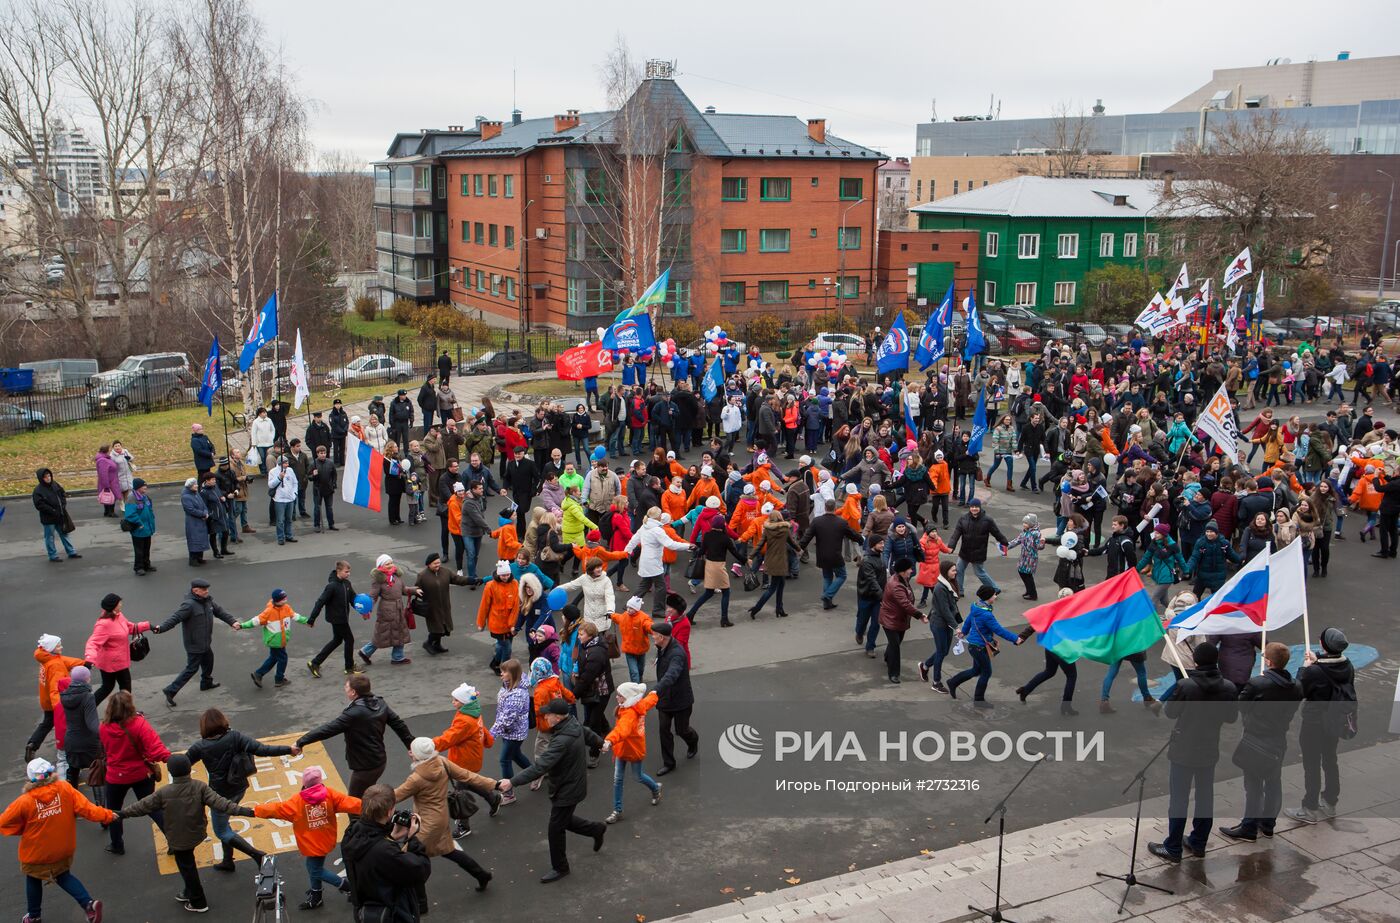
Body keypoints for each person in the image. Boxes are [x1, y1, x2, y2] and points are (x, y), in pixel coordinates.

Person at [119, 753, 256, 912]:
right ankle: (187, 891)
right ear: (189, 769)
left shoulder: (164, 792)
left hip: (178, 837)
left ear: (170, 772)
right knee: (187, 864)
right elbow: (222, 804)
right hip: (197, 832)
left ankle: (198, 902)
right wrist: (246, 811)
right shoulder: (200, 786)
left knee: (187, 867)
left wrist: (121, 814)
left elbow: (141, 806)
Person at [496, 699, 607, 883]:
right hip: (571, 784)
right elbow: (586, 733)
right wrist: (600, 743)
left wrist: (512, 782)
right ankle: (596, 829)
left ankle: (561, 867)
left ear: (557, 717)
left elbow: (540, 767)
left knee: (555, 829)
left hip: (567, 788)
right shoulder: (571, 724)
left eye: (548, 714)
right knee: (564, 820)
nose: (545, 716)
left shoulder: (561, 741)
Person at [1148, 641, 1238, 864]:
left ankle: (1173, 846)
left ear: (1196, 661)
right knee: (1205, 797)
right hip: (1209, 747)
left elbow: (1170, 712)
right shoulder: (1228, 687)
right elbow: (1231, 717)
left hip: (1184, 748)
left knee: (1179, 798)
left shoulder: (1187, 686)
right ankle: (1198, 842)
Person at [1, 757, 115, 923]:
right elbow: (87, 809)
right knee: (63, 875)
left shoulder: (25, 801)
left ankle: (33, 916)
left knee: (33, 878)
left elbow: (4, 822)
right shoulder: (64, 788)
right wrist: (109, 815)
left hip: (36, 854)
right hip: (63, 849)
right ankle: (89, 904)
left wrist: (21, 829)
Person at [186, 707, 293, 871]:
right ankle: (228, 860)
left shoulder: (199, 747)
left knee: (221, 831)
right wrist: (288, 749)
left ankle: (257, 854)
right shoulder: (235, 737)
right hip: (238, 787)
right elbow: (263, 750)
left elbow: (182, 765)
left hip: (218, 795)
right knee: (225, 823)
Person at [1218, 641, 1303, 842]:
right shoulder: (1296, 687)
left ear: (1268, 661)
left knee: (1253, 784)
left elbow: (1243, 706)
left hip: (1256, 738)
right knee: (1273, 782)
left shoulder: (1257, 684)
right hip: (1278, 739)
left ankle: (1248, 827)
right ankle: (1268, 825)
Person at [394, 738, 496, 897]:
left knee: (407, 859)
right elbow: (467, 776)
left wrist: (365, 803)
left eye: (412, 752)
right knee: (449, 851)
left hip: (426, 824)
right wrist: (494, 784)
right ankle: (481, 875)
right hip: (441, 818)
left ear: (417, 756)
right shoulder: (441, 761)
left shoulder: (416, 779)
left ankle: (419, 903)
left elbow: (394, 797)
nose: (410, 753)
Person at [252, 766, 358, 909]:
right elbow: (352, 803)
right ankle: (316, 894)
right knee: (313, 867)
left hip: (310, 844)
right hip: (326, 839)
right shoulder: (331, 795)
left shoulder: (297, 801)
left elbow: (277, 809)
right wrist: (376, 808)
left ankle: (347, 887)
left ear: (304, 783)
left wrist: (256, 810)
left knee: (316, 870)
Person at [297, 674, 415, 797]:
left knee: (354, 802)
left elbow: (328, 729)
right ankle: (371, 812)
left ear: (353, 692)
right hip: (379, 760)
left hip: (365, 766)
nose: (344, 688)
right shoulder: (380, 703)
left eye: (346, 687)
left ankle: (367, 815)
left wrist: (301, 742)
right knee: (368, 794)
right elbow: (399, 725)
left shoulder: (353, 713)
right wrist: (412, 746)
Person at [1287, 627, 1356, 824]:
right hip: (1334, 721)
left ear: (1325, 645)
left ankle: (1309, 807)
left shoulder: (1315, 671)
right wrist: (1316, 661)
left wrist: (1305, 667)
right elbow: (1329, 669)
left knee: (1311, 764)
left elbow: (1298, 691)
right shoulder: (1347, 665)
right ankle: (1330, 801)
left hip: (1314, 722)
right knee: (1330, 759)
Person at [343, 784, 432, 919]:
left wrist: (391, 837)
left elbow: (369, 849)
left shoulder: (351, 833)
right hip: (392, 913)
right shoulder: (385, 852)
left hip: (365, 911)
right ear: (390, 812)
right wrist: (412, 839)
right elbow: (420, 870)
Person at [97, 691, 170, 856]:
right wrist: (171, 759)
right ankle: (172, 840)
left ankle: (117, 844)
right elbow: (155, 748)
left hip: (115, 776)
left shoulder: (103, 727)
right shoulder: (139, 724)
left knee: (114, 811)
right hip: (140, 774)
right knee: (153, 808)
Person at [153, 578, 239, 708]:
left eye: (207, 589)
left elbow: (220, 612)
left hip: (205, 641)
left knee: (209, 660)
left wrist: (232, 621)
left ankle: (206, 682)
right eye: (204, 589)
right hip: (194, 644)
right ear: (195, 590)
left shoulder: (208, 601)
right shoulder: (189, 605)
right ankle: (170, 690)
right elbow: (175, 618)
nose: (207, 591)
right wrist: (160, 628)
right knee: (191, 668)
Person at [946, 587, 1024, 707]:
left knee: (976, 670)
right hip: (979, 647)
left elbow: (968, 620)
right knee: (986, 672)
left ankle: (953, 682)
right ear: (988, 597)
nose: (996, 596)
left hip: (973, 645)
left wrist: (964, 632)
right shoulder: (986, 614)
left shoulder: (976, 606)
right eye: (994, 595)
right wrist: (1015, 639)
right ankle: (978, 700)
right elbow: (998, 630)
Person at [604, 682, 662, 824]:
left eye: (620, 695)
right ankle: (617, 810)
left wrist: (609, 741)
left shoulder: (629, 714)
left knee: (638, 777)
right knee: (619, 779)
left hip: (630, 750)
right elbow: (649, 701)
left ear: (628, 697)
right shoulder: (638, 704)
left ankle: (655, 788)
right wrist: (654, 693)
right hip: (625, 749)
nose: (617, 697)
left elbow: (622, 730)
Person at [85, 593, 152, 706]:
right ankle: (89, 708)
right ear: (113, 606)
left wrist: (149, 626)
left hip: (120, 661)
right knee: (117, 688)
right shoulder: (103, 624)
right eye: (119, 602)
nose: (121, 604)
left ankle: (89, 708)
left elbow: (130, 627)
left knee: (116, 687)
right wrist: (89, 659)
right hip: (111, 663)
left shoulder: (119, 616)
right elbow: (93, 642)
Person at [651, 621, 698, 777]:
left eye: (654, 636)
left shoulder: (677, 654)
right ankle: (669, 763)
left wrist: (655, 690)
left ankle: (693, 741)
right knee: (663, 729)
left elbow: (672, 674)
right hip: (665, 698)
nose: (652, 638)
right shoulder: (662, 646)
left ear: (662, 637)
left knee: (681, 730)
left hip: (680, 699)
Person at [240, 587, 310, 689]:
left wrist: (307, 621)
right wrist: (242, 625)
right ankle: (279, 679)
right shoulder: (269, 611)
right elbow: (255, 621)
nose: (285, 600)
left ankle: (258, 674)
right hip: (275, 641)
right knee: (283, 658)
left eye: (285, 598)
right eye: (283, 599)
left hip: (281, 640)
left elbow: (295, 616)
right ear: (277, 600)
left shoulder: (286, 607)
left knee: (273, 658)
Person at [359, 554, 420, 666]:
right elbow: (373, 597)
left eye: (391, 562)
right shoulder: (378, 580)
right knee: (382, 634)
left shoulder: (396, 576)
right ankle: (365, 652)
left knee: (399, 632)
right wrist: (367, 609)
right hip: (386, 610)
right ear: (381, 566)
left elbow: (403, 590)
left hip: (398, 609)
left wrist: (415, 591)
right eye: (387, 564)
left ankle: (397, 657)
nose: (390, 565)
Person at [571, 621, 615, 767]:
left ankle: (594, 753)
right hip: (594, 690)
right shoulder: (588, 646)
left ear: (590, 635)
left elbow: (587, 678)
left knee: (593, 721)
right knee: (596, 714)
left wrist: (573, 695)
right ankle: (608, 731)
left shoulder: (595, 652)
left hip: (600, 691)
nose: (579, 637)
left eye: (581, 634)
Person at [307, 560, 361, 677]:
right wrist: (312, 619)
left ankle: (315, 663)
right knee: (349, 640)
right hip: (337, 618)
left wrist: (363, 611)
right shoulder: (331, 586)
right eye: (346, 572)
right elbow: (320, 602)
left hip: (343, 617)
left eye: (349, 572)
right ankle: (349, 667)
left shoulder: (347, 584)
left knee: (337, 640)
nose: (348, 574)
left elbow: (353, 599)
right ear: (338, 571)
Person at [416, 552, 475, 655]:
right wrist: (415, 592)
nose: (438, 565)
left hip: (444, 605)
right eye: (435, 563)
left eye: (438, 562)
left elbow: (458, 579)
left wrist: (471, 580)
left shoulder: (445, 572)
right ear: (429, 564)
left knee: (443, 626)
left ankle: (437, 645)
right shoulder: (422, 576)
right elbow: (417, 588)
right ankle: (428, 643)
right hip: (431, 607)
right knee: (436, 628)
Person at [489, 665, 533, 804]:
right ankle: (536, 772)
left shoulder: (517, 695)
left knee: (504, 760)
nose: (501, 673)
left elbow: (507, 719)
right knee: (515, 755)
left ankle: (508, 794)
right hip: (510, 731)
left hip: (515, 733)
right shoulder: (508, 685)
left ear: (512, 674)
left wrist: (491, 735)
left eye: (504, 671)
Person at [879, 557, 925, 684]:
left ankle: (888, 657)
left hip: (898, 619)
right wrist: (919, 615)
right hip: (891, 620)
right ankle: (894, 673)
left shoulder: (901, 579)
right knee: (895, 646)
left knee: (896, 642)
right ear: (902, 571)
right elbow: (905, 604)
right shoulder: (896, 586)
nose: (911, 570)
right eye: (909, 569)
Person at [948, 499, 1008, 595]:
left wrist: (1004, 542)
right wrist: (951, 546)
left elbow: (996, 533)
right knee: (958, 569)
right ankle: (959, 590)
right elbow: (956, 534)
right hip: (964, 551)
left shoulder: (987, 520)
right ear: (970, 508)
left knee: (979, 573)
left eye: (976, 507)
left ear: (980, 507)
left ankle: (995, 589)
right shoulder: (963, 519)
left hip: (978, 552)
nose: (974, 509)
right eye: (972, 507)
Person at [58, 666, 99, 784]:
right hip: (88, 742)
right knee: (96, 771)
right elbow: (92, 724)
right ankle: (99, 802)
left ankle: (71, 800)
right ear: (86, 679)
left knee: (73, 772)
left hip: (71, 741)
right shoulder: (88, 696)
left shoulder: (64, 696)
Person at [33, 467, 81, 562]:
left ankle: (71, 552)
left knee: (64, 534)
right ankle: (53, 555)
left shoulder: (55, 485)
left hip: (60, 515)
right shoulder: (38, 491)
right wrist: (53, 511)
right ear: (41, 478)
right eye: (46, 477)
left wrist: (63, 505)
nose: (48, 478)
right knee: (50, 537)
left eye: (49, 476)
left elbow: (62, 494)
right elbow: (39, 505)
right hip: (48, 518)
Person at [122, 478, 156, 575]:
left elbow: (149, 510)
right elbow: (130, 514)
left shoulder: (145, 497)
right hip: (139, 529)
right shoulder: (132, 498)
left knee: (146, 548)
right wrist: (140, 524)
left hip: (147, 528)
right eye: (143, 486)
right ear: (138, 487)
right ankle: (138, 567)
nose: (145, 487)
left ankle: (146, 565)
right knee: (139, 550)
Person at [268, 455, 299, 544]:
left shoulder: (290, 470)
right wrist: (279, 478)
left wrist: (295, 493)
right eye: (285, 463)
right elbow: (271, 485)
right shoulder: (273, 472)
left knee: (289, 519)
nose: (287, 464)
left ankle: (289, 535)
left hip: (290, 499)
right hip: (279, 500)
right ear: (280, 464)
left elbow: (295, 482)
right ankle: (281, 538)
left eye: (287, 462)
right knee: (280, 520)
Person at [310, 444, 338, 532]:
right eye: (321, 453)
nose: (323, 455)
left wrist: (333, 484)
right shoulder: (313, 464)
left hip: (328, 489)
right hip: (318, 489)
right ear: (317, 454)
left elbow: (334, 474)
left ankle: (331, 524)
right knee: (317, 508)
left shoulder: (330, 463)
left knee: (329, 507)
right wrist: (313, 475)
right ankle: (317, 525)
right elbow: (309, 477)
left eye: (324, 453)